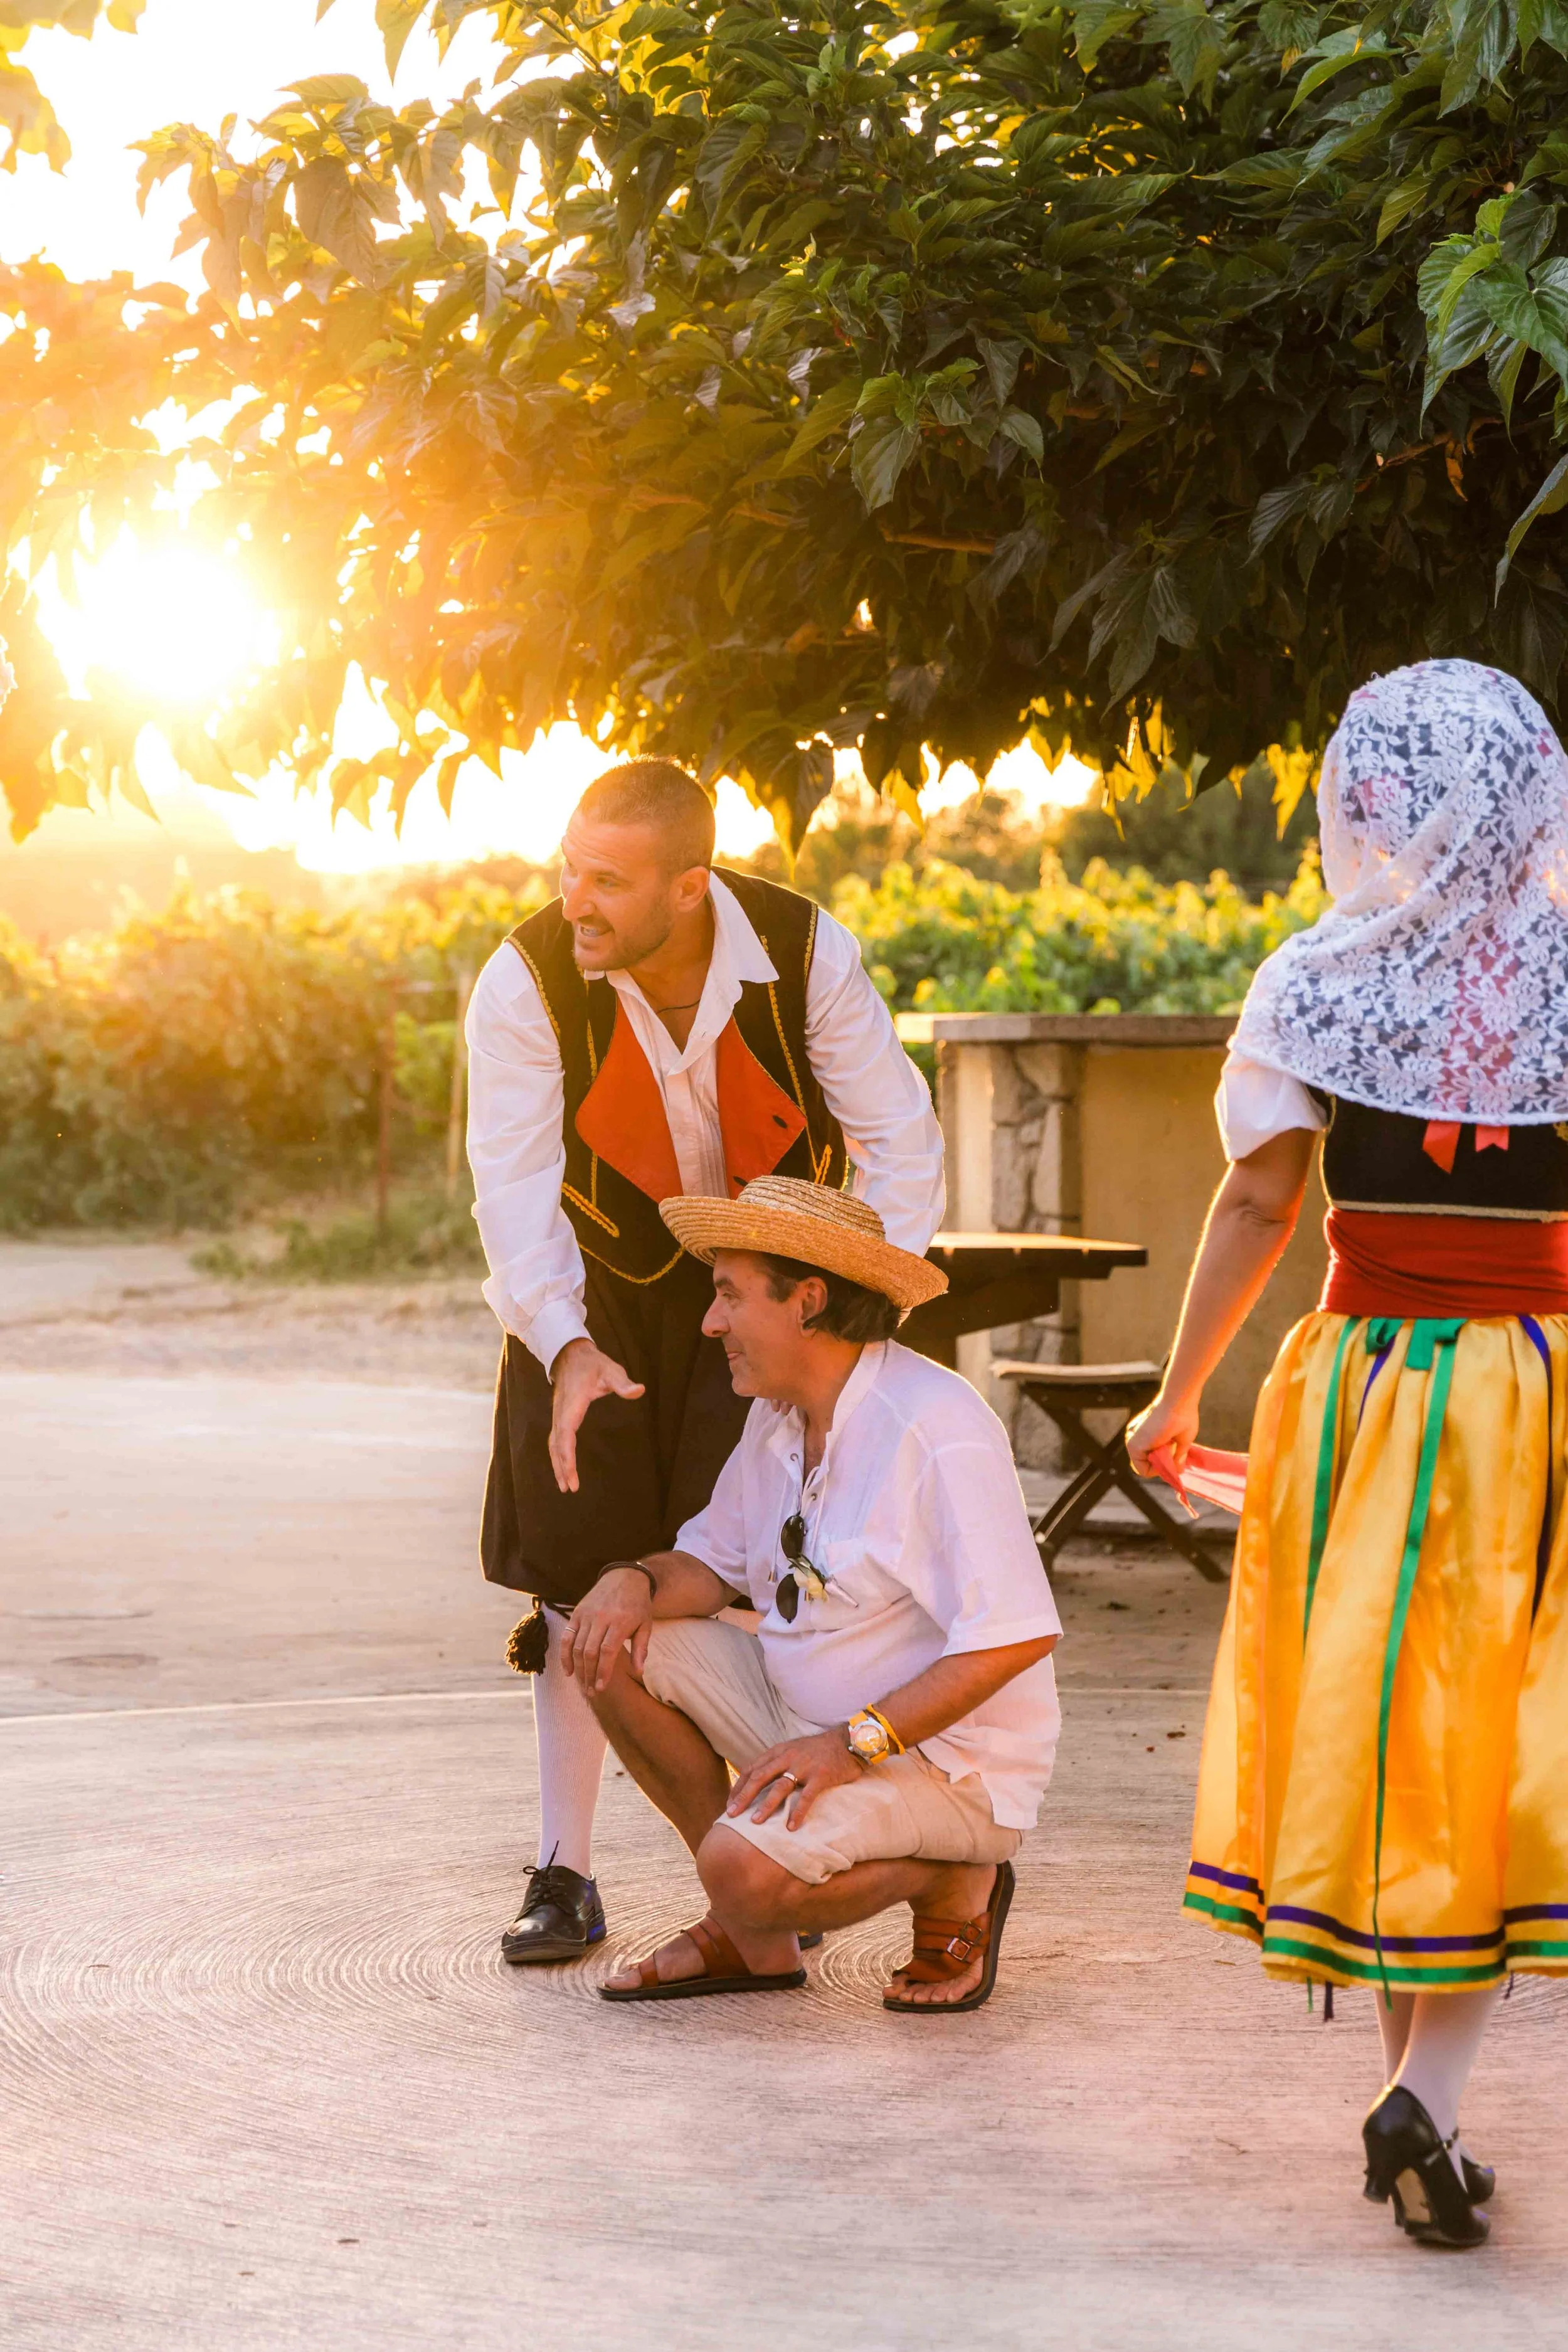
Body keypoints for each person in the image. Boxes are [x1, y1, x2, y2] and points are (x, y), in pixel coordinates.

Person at [1128, 660, 1568, 2249]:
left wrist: (1175, 1396)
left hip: (1360, 1385)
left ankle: (1422, 2110)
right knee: (1513, 1730)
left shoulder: (1318, 981)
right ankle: (1422, 2110)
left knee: (1397, 1733)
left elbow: (1255, 1205)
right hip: (1535, 1386)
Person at [465, 761, 945, 1965]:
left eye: (607, 882)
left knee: (744, 1564)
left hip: (776, 1278)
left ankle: (776, 1866)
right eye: (569, 869)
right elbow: (514, 1194)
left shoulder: (802, 950)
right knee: (583, 1575)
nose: (575, 900)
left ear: (690, 888)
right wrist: (564, 1347)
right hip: (593, 1296)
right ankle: (566, 1872)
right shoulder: (525, 981)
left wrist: (853, 1316)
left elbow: (897, 1133)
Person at [558, 1175, 1062, 2011]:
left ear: (809, 1300)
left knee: (740, 1868)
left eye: (728, 1294)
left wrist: (847, 1747)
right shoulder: (778, 1416)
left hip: (943, 1764)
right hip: (809, 1725)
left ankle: (955, 1877)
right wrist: (631, 1582)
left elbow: (1014, 1635)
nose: (709, 1321)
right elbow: (711, 1568)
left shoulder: (934, 1424)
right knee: (605, 1640)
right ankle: (756, 1938)